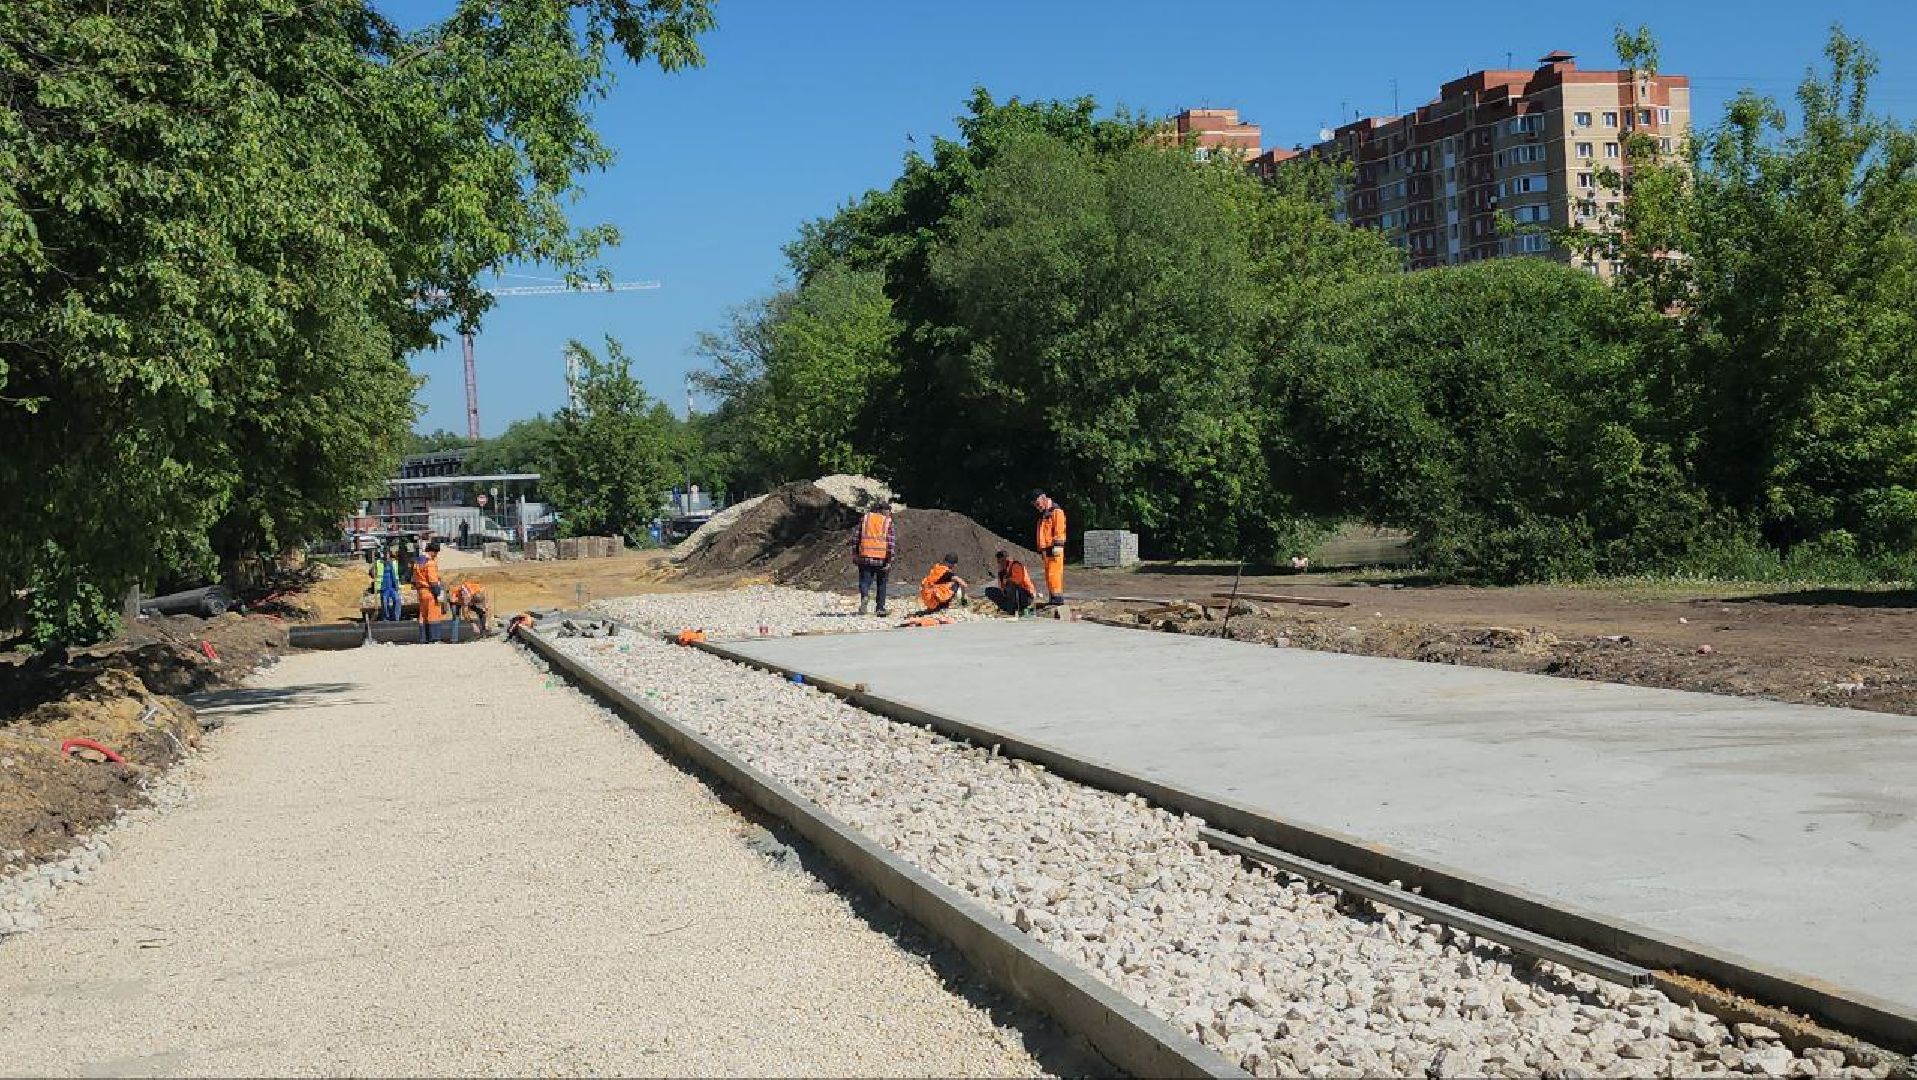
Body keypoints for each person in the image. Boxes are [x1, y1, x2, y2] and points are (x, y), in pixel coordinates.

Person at [852, 500, 896, 617]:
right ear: (883, 510)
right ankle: (880, 608)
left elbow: (856, 537)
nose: (889, 513)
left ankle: (865, 596)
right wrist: (890, 560)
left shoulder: (865, 519)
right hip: (881, 558)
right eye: (888, 511)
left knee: (864, 581)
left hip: (865, 556)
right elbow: (890, 543)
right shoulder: (887, 522)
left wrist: (855, 553)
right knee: (881, 583)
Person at [1031, 490, 1068, 606]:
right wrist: (1042, 549)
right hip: (1046, 550)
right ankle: (1053, 597)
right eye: (1036, 505)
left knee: (1054, 574)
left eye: (1038, 504)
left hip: (1054, 549)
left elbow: (1059, 529)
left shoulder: (1056, 511)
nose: (1037, 507)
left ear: (1043, 498)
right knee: (1049, 575)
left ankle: (1057, 599)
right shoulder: (1044, 515)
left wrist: (1058, 545)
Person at [986, 550, 1037, 615]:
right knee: (989, 591)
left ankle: (1013, 610)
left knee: (1010, 584)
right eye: (999, 562)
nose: (1000, 563)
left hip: (1027, 596)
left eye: (1002, 561)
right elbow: (1002, 589)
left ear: (1007, 559)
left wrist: (1007, 579)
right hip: (1012, 597)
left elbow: (1017, 581)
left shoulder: (1016, 565)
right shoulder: (1001, 572)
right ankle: (1008, 608)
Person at [412, 544, 443, 642]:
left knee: (423, 615)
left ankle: (423, 638)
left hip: (421, 591)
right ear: (432, 551)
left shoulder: (417, 562)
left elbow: (414, 578)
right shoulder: (430, 563)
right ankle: (434, 637)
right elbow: (433, 580)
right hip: (429, 591)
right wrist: (437, 592)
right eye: (436, 553)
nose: (436, 555)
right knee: (433, 614)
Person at [375, 546, 403, 622]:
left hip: (393, 587)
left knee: (397, 600)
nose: (385, 555)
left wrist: (397, 585)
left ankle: (396, 618)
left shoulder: (394, 562)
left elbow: (397, 573)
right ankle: (386, 618)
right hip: (384, 587)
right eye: (384, 554)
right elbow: (373, 573)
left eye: (387, 554)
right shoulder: (378, 562)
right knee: (384, 603)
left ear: (389, 554)